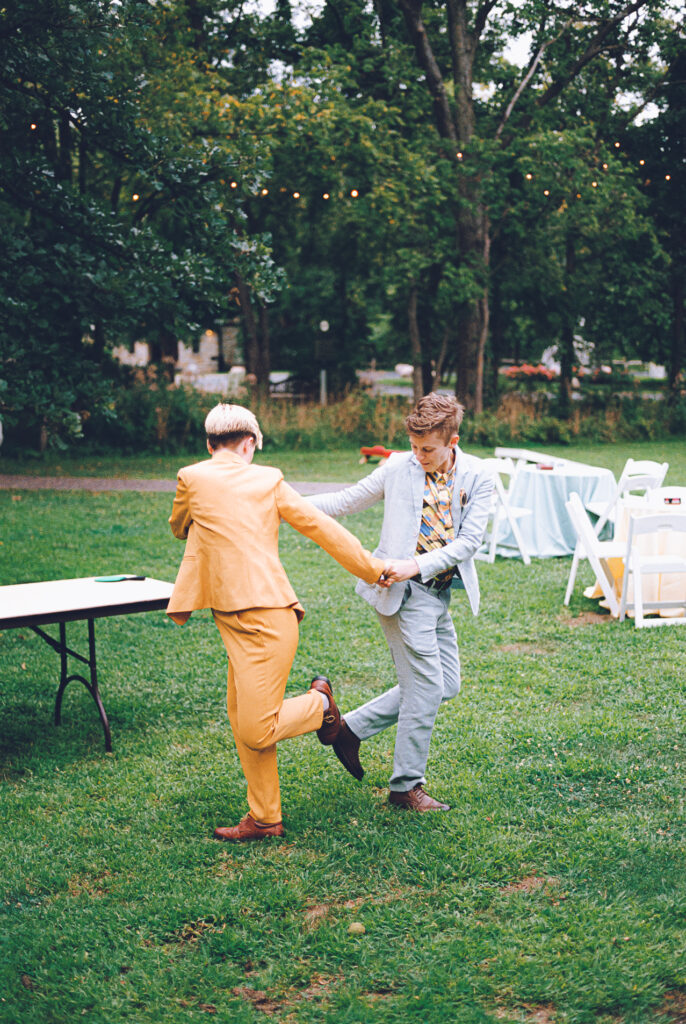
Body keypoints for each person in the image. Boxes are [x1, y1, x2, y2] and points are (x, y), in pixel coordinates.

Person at [167, 404, 387, 842]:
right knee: (240, 716)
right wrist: (372, 567)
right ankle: (265, 818)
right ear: (250, 443)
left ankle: (320, 705)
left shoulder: (190, 477)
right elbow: (320, 527)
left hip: (266, 620)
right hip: (237, 618)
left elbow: (178, 527)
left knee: (256, 724)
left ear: (210, 445)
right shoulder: (267, 480)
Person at [309, 393, 492, 811]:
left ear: (453, 441)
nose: (418, 455)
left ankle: (347, 728)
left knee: (446, 685)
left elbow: (469, 542)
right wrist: (280, 501)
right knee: (425, 690)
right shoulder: (397, 466)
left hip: (437, 592)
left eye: (427, 449)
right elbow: (343, 502)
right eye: (413, 446)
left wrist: (417, 564)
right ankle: (405, 787)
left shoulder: (480, 475)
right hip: (399, 593)